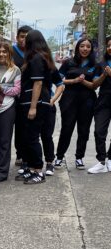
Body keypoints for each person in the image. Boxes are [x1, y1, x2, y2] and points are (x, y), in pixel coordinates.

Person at [14, 30, 55, 184]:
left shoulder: (37, 58)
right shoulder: (37, 57)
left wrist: (33, 107)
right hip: (29, 102)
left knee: (32, 138)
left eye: (26, 39)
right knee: (27, 137)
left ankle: (38, 170)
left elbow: (38, 82)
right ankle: (31, 168)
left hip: (36, 103)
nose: (23, 41)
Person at [54, 38, 100, 170]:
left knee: (84, 131)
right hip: (69, 100)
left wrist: (84, 82)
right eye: (82, 46)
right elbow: (59, 80)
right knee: (67, 129)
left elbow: (94, 85)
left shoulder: (95, 64)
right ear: (77, 48)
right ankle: (59, 156)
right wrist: (74, 80)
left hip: (88, 101)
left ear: (91, 49)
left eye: (88, 47)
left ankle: (79, 157)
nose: (85, 49)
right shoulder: (68, 62)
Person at [0, 42, 21, 183]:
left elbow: (16, 91)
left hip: (7, 108)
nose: (1, 54)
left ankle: (2, 172)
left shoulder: (15, 70)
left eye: (4, 52)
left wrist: (0, 88)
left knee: (4, 142)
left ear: (9, 54)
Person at [87, 37, 111, 174]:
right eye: (108, 45)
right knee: (99, 131)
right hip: (104, 100)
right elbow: (94, 84)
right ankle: (102, 161)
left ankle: (110, 158)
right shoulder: (101, 63)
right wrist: (104, 75)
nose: (110, 48)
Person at [12, 25, 33, 173]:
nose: (24, 39)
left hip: (29, 96)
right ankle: (19, 153)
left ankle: (24, 155)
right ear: (17, 37)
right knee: (15, 127)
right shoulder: (11, 52)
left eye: (27, 36)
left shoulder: (35, 53)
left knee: (26, 127)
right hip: (11, 96)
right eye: (21, 36)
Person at [41, 70, 65, 176]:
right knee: (30, 137)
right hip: (30, 104)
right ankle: (28, 163)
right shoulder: (28, 64)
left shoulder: (50, 67)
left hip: (47, 105)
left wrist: (53, 99)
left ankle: (49, 162)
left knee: (46, 136)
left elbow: (60, 85)